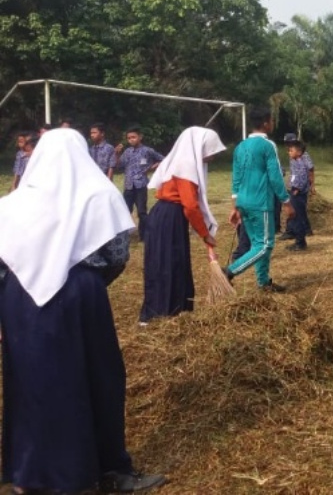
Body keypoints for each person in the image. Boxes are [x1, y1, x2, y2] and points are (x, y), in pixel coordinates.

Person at [0, 129, 165, 494]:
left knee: (31, 381)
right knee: (98, 377)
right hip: (80, 294)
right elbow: (118, 255)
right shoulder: (100, 195)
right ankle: (108, 468)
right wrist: (86, 282)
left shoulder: (10, 204)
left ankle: (28, 474)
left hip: (20, 298)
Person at [139, 127, 226, 324]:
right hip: (169, 218)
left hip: (166, 216)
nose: (212, 157)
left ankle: (167, 311)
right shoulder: (185, 166)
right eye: (210, 151)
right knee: (168, 264)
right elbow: (190, 206)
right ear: (200, 147)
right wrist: (205, 234)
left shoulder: (181, 162)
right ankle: (163, 313)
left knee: (167, 263)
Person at [225, 107, 293, 292]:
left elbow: (236, 177)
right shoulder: (267, 145)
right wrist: (286, 201)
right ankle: (229, 272)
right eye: (271, 121)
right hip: (260, 202)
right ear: (265, 123)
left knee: (258, 243)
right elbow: (275, 175)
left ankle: (263, 283)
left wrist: (235, 206)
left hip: (244, 202)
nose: (273, 124)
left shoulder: (240, 146)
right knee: (265, 245)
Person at [114, 127, 164, 240]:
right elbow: (119, 166)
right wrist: (116, 154)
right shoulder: (127, 152)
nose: (131, 140)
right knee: (126, 210)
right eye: (129, 138)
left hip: (141, 185)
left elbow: (163, 159)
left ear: (140, 137)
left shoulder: (147, 150)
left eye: (133, 137)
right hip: (128, 185)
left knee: (141, 211)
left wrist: (151, 168)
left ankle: (144, 235)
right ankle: (124, 235)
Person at [284, 138, 314, 252]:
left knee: (298, 217)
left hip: (298, 193)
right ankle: (298, 239)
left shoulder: (301, 163)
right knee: (296, 216)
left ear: (299, 152)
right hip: (294, 190)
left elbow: (302, 177)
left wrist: (297, 188)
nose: (289, 152)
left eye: (291, 150)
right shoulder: (295, 161)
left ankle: (300, 242)